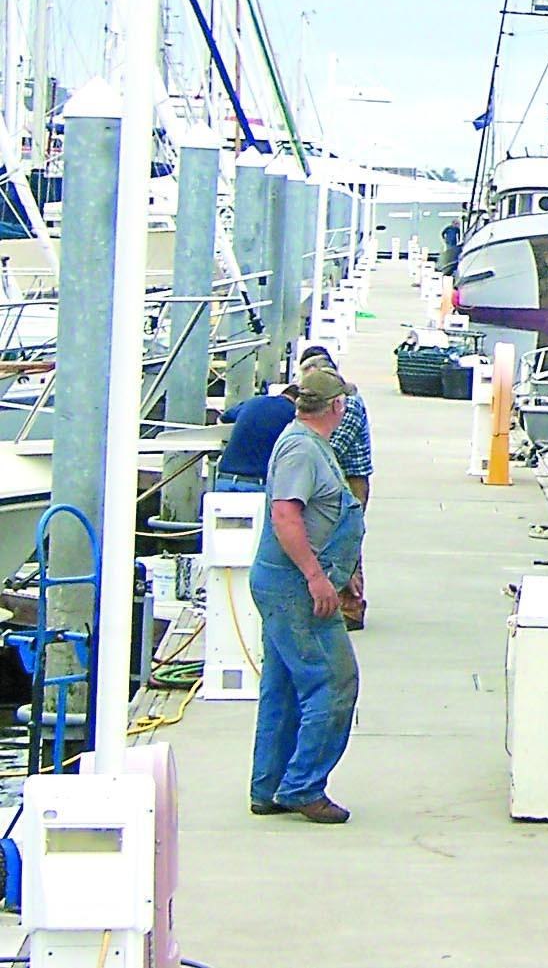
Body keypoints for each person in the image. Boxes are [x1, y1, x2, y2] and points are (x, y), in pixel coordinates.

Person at [248, 362, 362, 824]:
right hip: (295, 589)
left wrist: (343, 572)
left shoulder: (311, 443)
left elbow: (321, 516)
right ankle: (303, 786)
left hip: (297, 582)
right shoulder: (301, 450)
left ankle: (269, 785)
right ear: (336, 407)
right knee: (334, 683)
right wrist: (317, 578)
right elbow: (286, 517)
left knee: (283, 687)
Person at [302, 346, 371, 630]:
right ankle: (337, 600)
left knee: (346, 538)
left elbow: (332, 445)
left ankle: (352, 606)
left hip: (350, 479)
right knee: (332, 538)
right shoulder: (336, 401)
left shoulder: (349, 403)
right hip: (335, 476)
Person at [215, 384, 299, 493]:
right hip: (257, 483)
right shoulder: (293, 413)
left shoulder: (254, 402)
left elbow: (222, 420)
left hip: (225, 478)